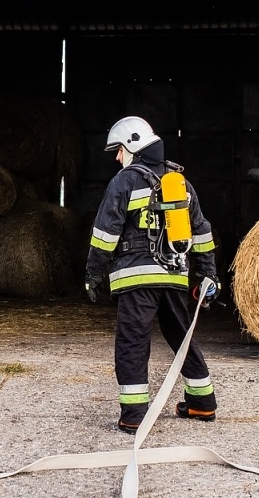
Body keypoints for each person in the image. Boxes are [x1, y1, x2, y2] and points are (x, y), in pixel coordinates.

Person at [84, 115, 220, 433]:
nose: (117, 157)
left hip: (135, 279)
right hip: (174, 276)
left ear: (131, 146)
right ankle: (202, 404)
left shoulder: (124, 182)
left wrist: (93, 272)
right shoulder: (180, 183)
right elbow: (201, 233)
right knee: (181, 337)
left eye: (118, 150)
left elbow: (105, 233)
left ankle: (134, 415)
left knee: (133, 341)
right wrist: (207, 274)